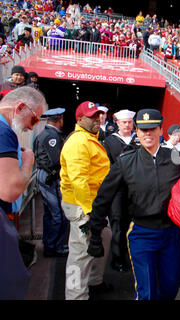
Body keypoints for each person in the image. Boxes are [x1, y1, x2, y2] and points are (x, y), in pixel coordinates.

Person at [86, 109, 180, 300]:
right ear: (137, 131)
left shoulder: (177, 160)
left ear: (161, 130)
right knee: (147, 291)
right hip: (142, 233)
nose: (148, 134)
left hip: (172, 234)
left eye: (152, 128)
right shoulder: (125, 163)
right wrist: (95, 231)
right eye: (143, 129)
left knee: (170, 287)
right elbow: (104, 196)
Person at [59, 101, 112, 300]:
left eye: (98, 115)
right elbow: (78, 180)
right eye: (92, 116)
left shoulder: (89, 139)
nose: (97, 119)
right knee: (80, 255)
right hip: (82, 206)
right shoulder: (78, 142)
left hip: (94, 204)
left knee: (104, 238)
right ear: (80, 119)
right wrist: (89, 213)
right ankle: (75, 296)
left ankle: (94, 282)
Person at [0, 87, 47, 298]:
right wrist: (28, 162)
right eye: (34, 120)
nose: (31, 127)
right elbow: (9, 191)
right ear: (20, 107)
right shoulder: (3, 131)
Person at [101, 109, 139, 272]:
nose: (127, 125)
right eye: (124, 122)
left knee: (134, 224)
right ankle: (117, 259)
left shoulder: (138, 139)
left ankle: (131, 256)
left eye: (130, 122)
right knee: (117, 225)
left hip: (136, 189)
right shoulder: (110, 142)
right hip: (118, 190)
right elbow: (106, 167)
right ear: (117, 123)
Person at [33, 107, 69, 257]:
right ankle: (55, 246)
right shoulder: (51, 136)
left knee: (50, 213)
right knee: (58, 214)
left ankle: (49, 244)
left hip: (45, 175)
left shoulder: (44, 134)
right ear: (59, 120)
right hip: (50, 177)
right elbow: (56, 160)